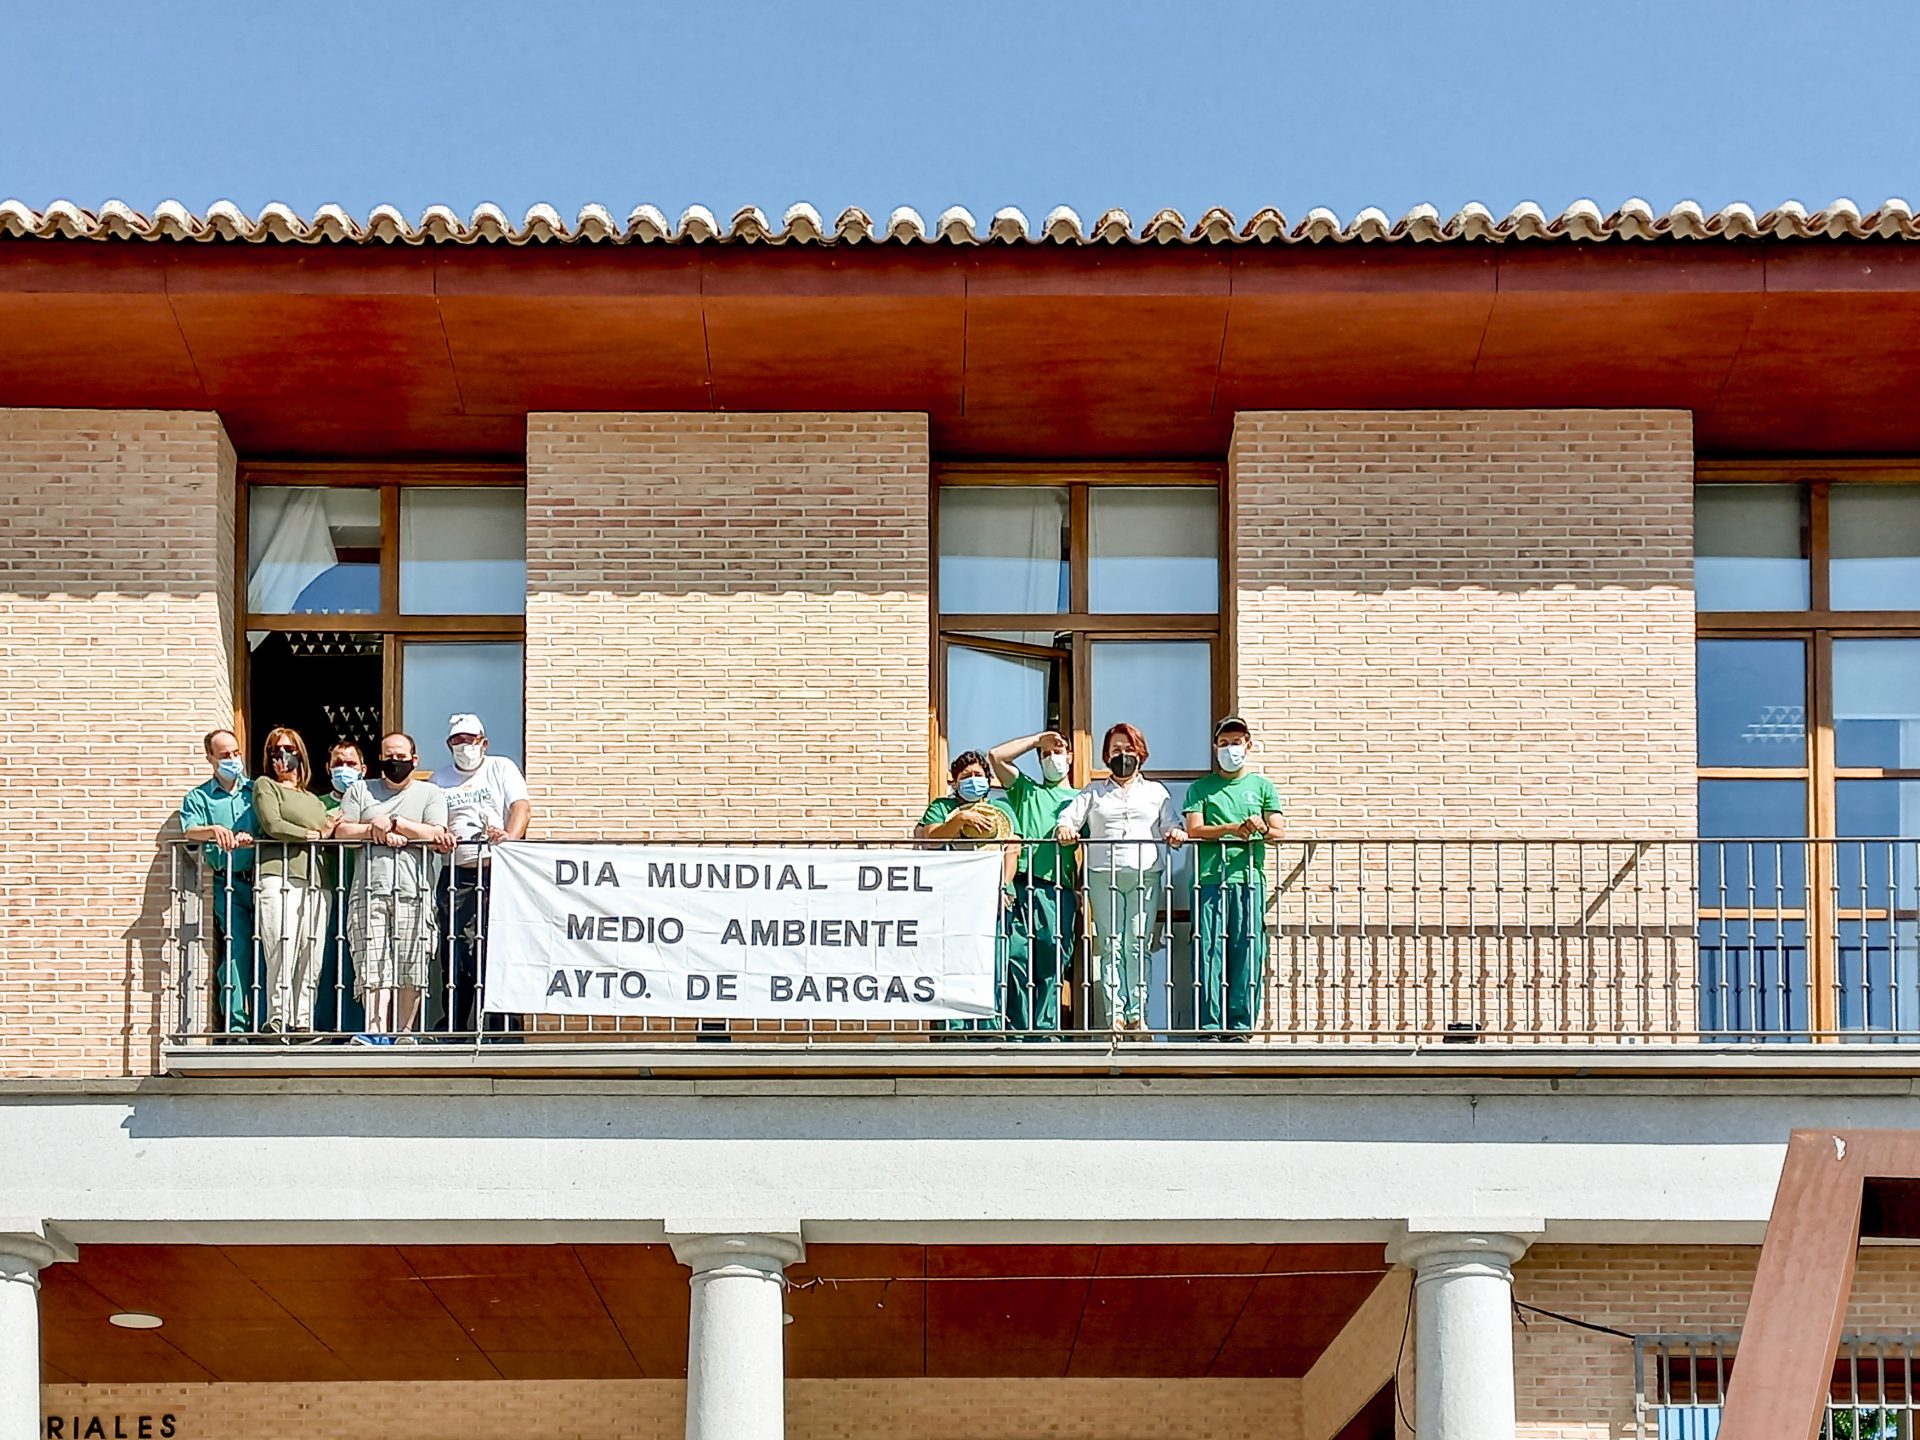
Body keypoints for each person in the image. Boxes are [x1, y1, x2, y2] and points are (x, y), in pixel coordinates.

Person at [1056, 724, 1187, 1034]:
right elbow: (1068, 817)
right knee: (1112, 943)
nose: (1122, 756)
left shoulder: (1156, 792)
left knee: (1137, 943)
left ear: (1140, 754)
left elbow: (1171, 823)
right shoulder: (1093, 791)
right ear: (1106, 756)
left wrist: (1175, 832)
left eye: (1128, 750)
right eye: (1116, 751)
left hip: (1145, 874)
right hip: (1104, 874)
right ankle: (1115, 1013)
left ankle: (1138, 1014)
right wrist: (1065, 829)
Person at [330, 733, 452, 1045]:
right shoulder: (360, 789)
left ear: (415, 759)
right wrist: (375, 830)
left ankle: (404, 1032)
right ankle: (374, 1031)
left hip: (414, 891)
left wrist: (395, 823)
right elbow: (342, 831)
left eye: (400, 756)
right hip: (369, 891)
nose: (393, 762)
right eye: (388, 756)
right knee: (372, 963)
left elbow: (437, 834)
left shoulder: (431, 793)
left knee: (412, 961)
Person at [1182, 717, 1287, 1037]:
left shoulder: (1262, 786)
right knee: (1209, 952)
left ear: (1248, 745)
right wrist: (1229, 829)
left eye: (1236, 742)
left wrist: (1260, 828)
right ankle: (1210, 1026)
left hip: (1248, 878)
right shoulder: (1200, 788)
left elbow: (1279, 832)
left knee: (1247, 950)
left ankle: (1240, 1026)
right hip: (1210, 879)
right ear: (1215, 747)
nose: (1231, 749)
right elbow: (1194, 829)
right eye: (1224, 743)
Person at [429, 713, 531, 1037]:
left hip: (498, 873)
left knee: (500, 950)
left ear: (483, 742)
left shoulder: (501, 768)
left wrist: (511, 842)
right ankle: (455, 1028)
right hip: (457, 874)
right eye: (457, 740)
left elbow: (521, 808)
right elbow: (434, 822)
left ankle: (502, 1029)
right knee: (455, 949)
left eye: (470, 739)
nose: (464, 746)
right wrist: (438, 838)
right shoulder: (438, 779)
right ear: (449, 745)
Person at [917, 751, 1019, 1033]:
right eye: (966, 777)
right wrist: (960, 820)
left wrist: (1005, 885)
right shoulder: (942, 806)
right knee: (952, 961)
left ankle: (991, 1028)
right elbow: (931, 840)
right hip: (953, 899)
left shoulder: (1003, 809)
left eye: (978, 776)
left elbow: (1013, 848)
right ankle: (954, 1028)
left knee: (994, 962)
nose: (973, 781)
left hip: (993, 899)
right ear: (954, 782)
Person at [988, 730, 1081, 1036]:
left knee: (1052, 959)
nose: (1052, 757)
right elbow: (996, 757)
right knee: (1015, 957)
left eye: (1059, 751)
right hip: (1020, 884)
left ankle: (1045, 1030)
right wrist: (1038, 740)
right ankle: (1016, 1029)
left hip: (1057, 888)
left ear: (1070, 757)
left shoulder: (1081, 798)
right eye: (1046, 755)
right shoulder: (1027, 790)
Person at [249, 727, 336, 1040]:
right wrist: (313, 835)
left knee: (310, 952)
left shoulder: (314, 799)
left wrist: (324, 830)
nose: (281, 755)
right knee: (281, 946)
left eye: (287, 749)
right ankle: (277, 1017)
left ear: (300, 753)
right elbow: (273, 824)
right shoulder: (266, 786)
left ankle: (302, 1020)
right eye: (275, 750)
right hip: (278, 874)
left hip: (316, 878)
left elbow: (329, 827)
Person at [179, 728, 256, 1037]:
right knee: (236, 952)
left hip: (264, 880)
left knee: (271, 952)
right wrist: (213, 830)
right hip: (229, 883)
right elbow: (189, 830)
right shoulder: (199, 796)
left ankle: (267, 1021)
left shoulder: (255, 792)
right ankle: (236, 1027)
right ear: (210, 758)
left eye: (236, 753)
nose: (233, 760)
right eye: (225, 755)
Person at [316, 741, 369, 1035]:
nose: (344, 769)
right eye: (339, 763)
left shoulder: (372, 801)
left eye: (351, 764)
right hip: (326, 889)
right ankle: (323, 1029)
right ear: (328, 768)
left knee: (359, 961)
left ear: (363, 769)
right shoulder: (317, 804)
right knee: (324, 961)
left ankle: (358, 1029)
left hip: (364, 889)